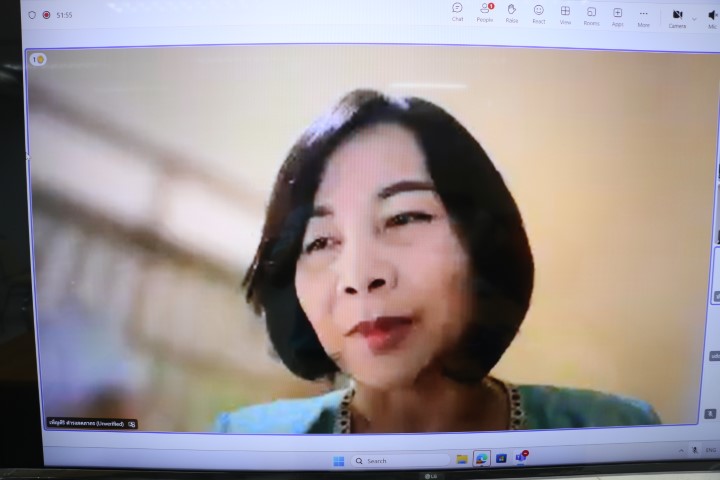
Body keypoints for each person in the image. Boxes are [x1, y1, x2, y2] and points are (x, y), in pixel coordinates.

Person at [215, 89, 660, 434]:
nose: (360, 276)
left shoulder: (614, 429)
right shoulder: (246, 444)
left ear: (480, 238)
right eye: (320, 242)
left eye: (403, 218)